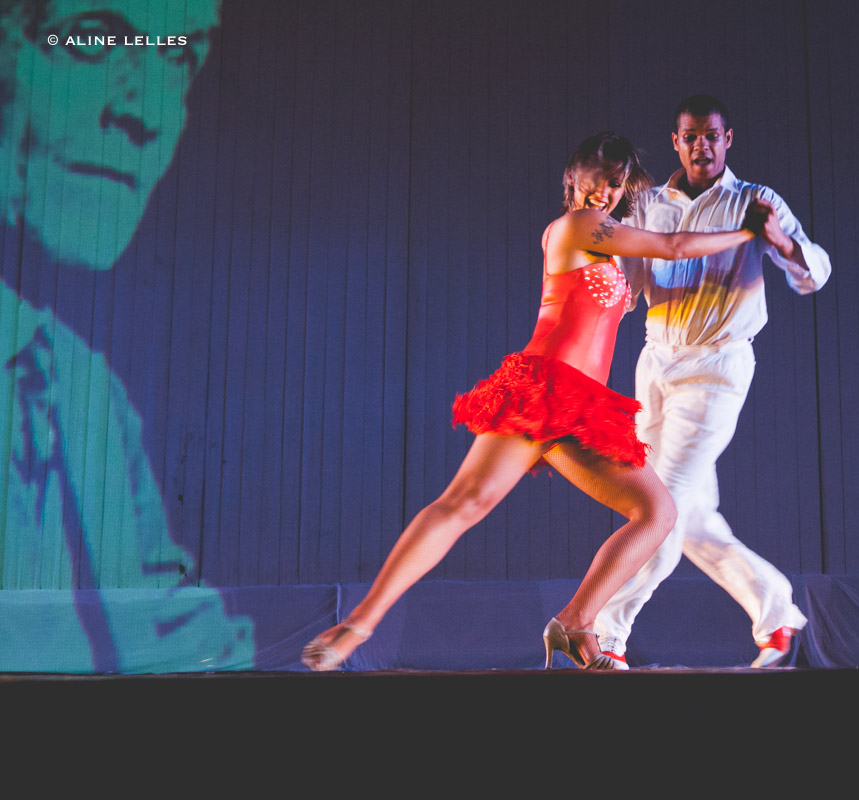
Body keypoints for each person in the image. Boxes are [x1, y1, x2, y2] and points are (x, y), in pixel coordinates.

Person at [301, 132, 773, 671]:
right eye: (599, 176)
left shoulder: (608, 244)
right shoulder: (575, 226)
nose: (607, 190)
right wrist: (744, 232)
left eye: (618, 183)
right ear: (573, 177)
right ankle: (356, 626)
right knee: (464, 504)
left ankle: (576, 622)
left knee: (655, 513)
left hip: (582, 406)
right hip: (544, 387)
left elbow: (663, 260)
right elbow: (672, 248)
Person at [0, 0, 252, 672]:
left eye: (176, 57)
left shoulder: (83, 391)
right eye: (92, 38)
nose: (144, 113)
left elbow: (162, 630)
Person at [594, 94, 832, 669]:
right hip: (655, 362)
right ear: (676, 143)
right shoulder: (648, 203)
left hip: (717, 366)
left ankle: (604, 634)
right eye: (690, 136)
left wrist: (782, 243)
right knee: (689, 516)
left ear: (728, 140)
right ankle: (776, 614)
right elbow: (624, 287)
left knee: (663, 506)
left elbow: (815, 272)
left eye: (711, 135)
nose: (701, 145)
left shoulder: (756, 200)